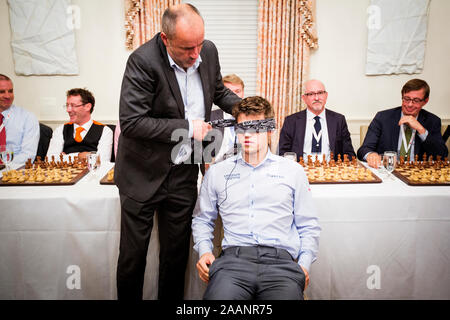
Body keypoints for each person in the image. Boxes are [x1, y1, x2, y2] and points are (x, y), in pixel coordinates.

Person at [115, 4, 241, 300]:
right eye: (187, 48)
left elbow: (218, 91)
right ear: (165, 38)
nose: (196, 54)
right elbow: (133, 122)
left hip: (184, 172)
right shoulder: (142, 61)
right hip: (141, 175)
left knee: (175, 258)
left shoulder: (207, 50)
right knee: (134, 259)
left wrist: (243, 108)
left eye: (199, 44)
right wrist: (187, 127)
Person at [192, 96, 321, 300]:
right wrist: (205, 251)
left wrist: (303, 264)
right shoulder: (218, 172)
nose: (248, 135)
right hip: (232, 263)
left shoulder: (293, 172)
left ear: (270, 131)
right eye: (243, 127)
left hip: (282, 265)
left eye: (256, 128)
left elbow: (308, 225)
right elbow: (202, 219)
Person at [357, 79, 448, 168]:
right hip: (389, 171)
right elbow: (364, 149)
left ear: (425, 101)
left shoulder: (432, 121)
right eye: (407, 99)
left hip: (417, 172)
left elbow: (442, 154)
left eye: (416, 100)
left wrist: (421, 130)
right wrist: (370, 155)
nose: (409, 104)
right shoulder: (383, 118)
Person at [278, 79, 356, 162]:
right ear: (304, 98)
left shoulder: (339, 120)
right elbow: (283, 153)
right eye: (311, 94)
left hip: (330, 171)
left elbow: (349, 153)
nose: (316, 98)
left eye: (320, 93)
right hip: (300, 170)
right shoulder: (291, 121)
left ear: (326, 95)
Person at [46, 88, 113, 163]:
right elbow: (50, 160)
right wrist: (79, 156)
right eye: (67, 105)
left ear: (87, 107)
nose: (68, 110)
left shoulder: (105, 131)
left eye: (73, 106)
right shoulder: (60, 130)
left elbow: (102, 161)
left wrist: (65, 158)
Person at [0, 74, 39, 167]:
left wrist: (5, 169)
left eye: (10, 91)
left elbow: (28, 155)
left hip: (15, 171)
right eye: (2, 92)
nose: (7, 96)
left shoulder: (28, 118)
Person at [210, 74, 245, 162]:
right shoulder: (210, 117)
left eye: (238, 91)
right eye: (229, 92)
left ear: (243, 92)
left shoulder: (253, 119)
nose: (234, 96)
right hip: (217, 167)